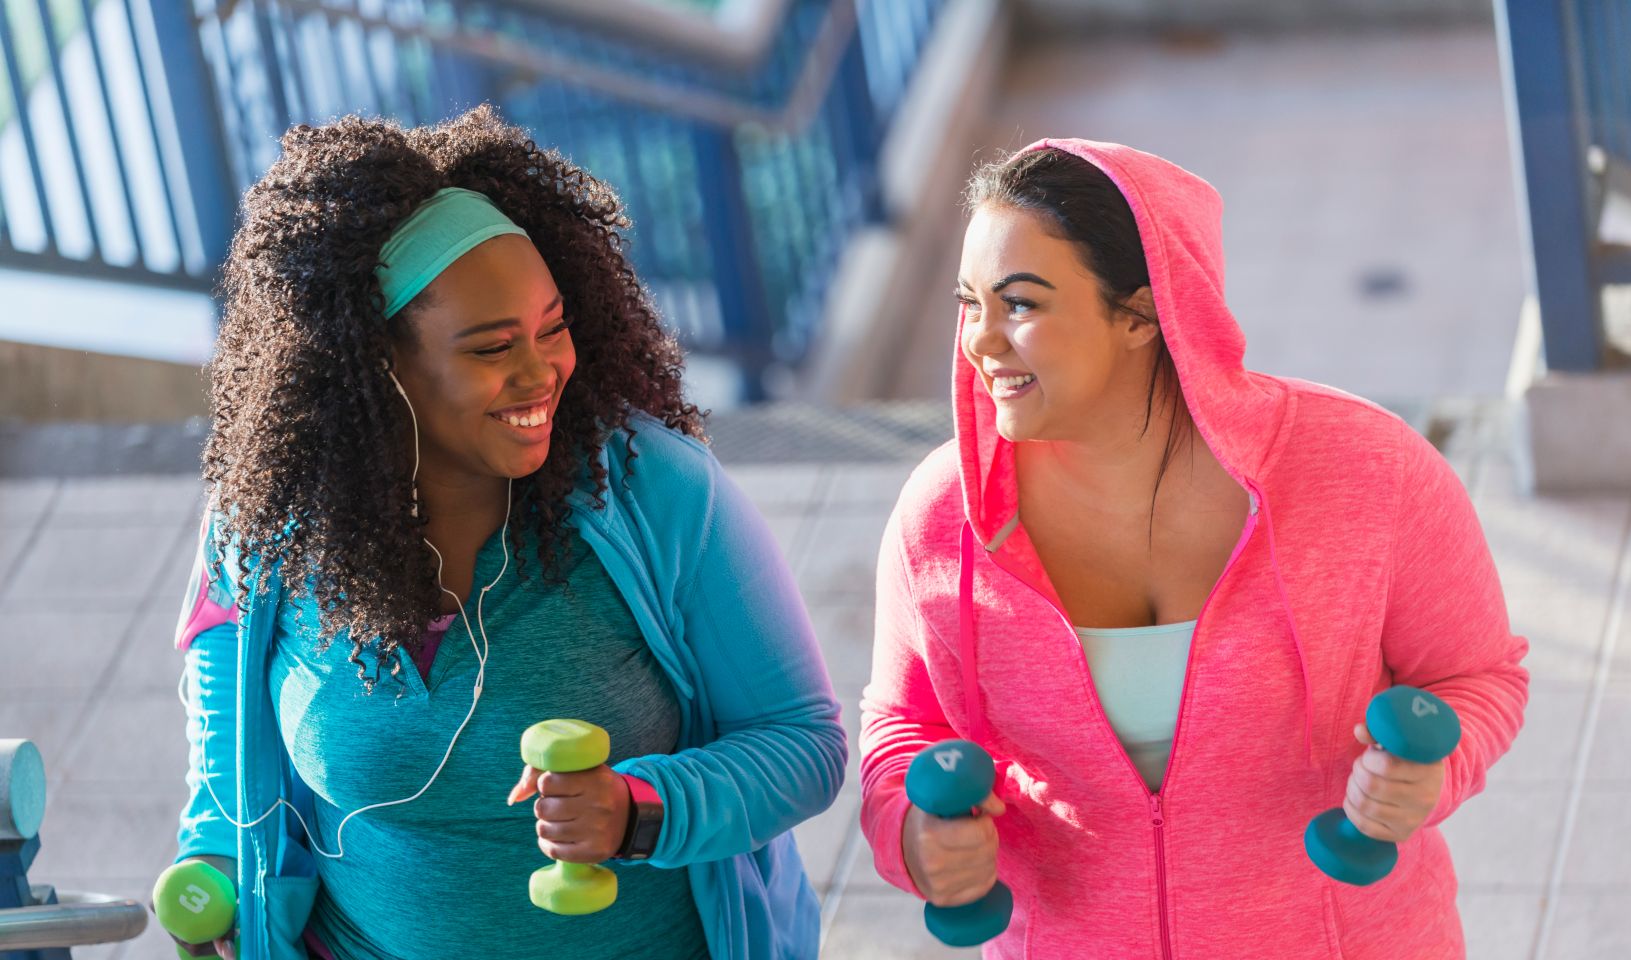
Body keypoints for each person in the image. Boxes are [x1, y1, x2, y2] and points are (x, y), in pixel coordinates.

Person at [168, 106, 845, 960]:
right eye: (493, 348)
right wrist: (217, 865)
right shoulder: (270, 522)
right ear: (377, 365)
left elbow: (803, 744)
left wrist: (642, 810)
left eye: (553, 328)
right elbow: (226, 733)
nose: (541, 373)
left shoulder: (655, 491)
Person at [860, 139, 1528, 958]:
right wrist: (910, 833)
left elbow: (1475, 677)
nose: (980, 342)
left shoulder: (1367, 472)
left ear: (1141, 312)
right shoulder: (941, 516)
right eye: (970, 303)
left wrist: (1432, 775)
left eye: (1021, 304)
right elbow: (902, 723)